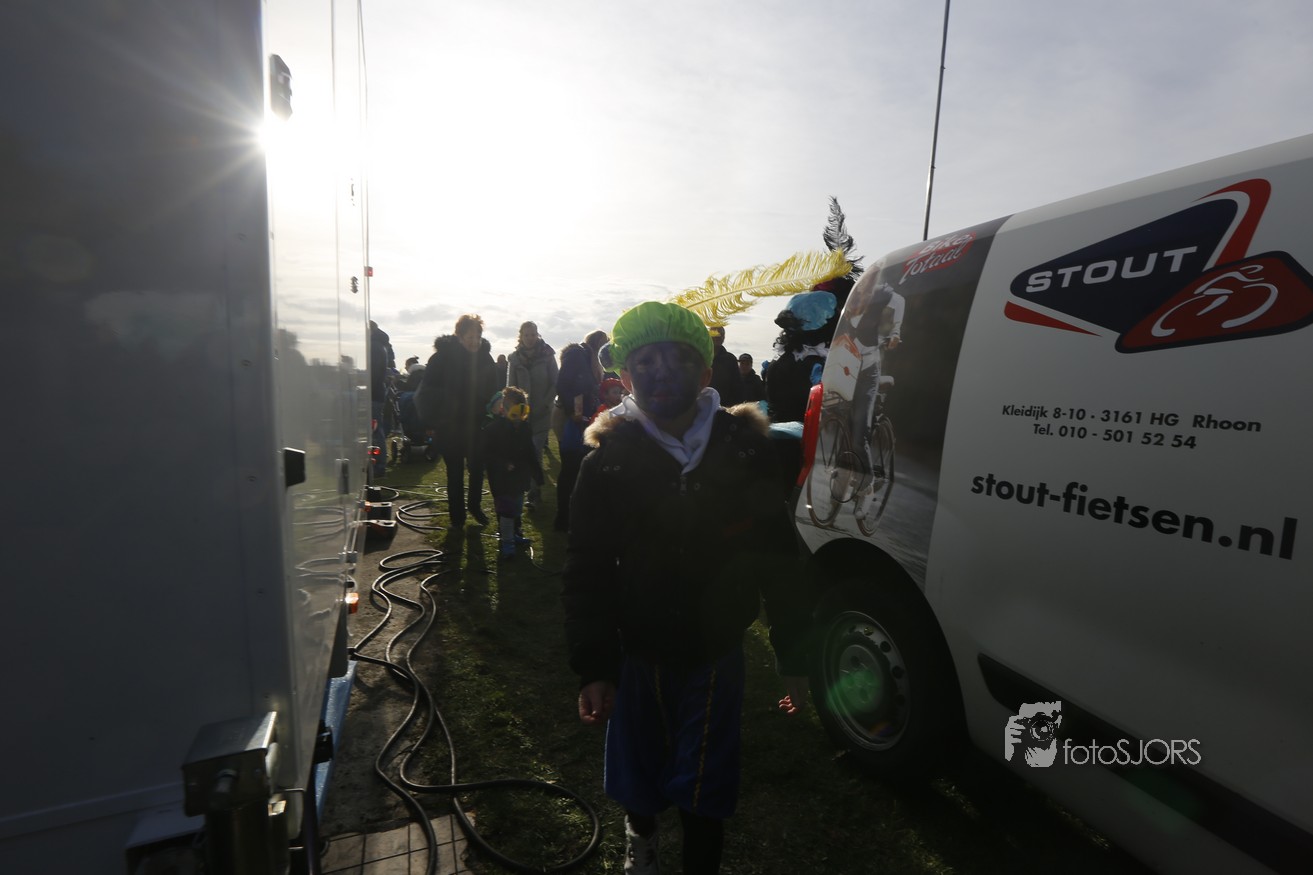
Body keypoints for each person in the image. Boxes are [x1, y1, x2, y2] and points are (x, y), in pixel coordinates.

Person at [562, 301, 809, 875]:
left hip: (716, 651)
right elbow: (588, 565)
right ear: (625, 376)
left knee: (705, 787)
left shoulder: (744, 449)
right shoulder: (608, 461)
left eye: (679, 358)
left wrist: (794, 648)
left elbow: (776, 551)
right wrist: (594, 664)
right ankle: (641, 839)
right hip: (637, 648)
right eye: (645, 361)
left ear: (705, 371)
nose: (662, 371)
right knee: (640, 773)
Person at [413, 314, 499, 527]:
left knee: (477, 468)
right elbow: (426, 393)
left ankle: (475, 506)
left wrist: (493, 412)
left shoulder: (485, 358)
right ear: (459, 336)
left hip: (477, 424)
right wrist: (432, 421)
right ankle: (457, 517)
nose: (475, 342)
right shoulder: (441, 358)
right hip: (449, 426)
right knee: (455, 472)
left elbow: (494, 390)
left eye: (478, 337)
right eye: (470, 337)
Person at [832, 273, 904, 524]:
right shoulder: (855, 301)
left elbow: (896, 323)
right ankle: (840, 485)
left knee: (859, 433)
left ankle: (867, 486)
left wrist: (894, 336)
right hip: (849, 364)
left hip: (869, 369)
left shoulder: (891, 298)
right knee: (841, 421)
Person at [552, 329, 608, 532]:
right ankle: (563, 517)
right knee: (570, 468)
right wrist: (572, 410)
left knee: (581, 468)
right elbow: (562, 384)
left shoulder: (592, 361)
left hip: (585, 419)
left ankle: (576, 515)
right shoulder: (577, 354)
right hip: (570, 419)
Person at [481, 385, 543, 559]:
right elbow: (486, 454)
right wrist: (503, 464)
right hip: (501, 479)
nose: (519, 419)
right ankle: (507, 542)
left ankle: (515, 533)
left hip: (519, 478)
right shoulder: (493, 429)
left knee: (516, 508)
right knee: (506, 511)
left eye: (523, 413)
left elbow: (530, 452)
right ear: (504, 409)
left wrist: (537, 474)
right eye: (515, 413)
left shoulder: (525, 428)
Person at [506, 321, 559, 508]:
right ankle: (525, 489)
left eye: (533, 334)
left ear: (538, 335)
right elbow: (510, 387)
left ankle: (534, 495)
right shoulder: (514, 358)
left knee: (535, 453)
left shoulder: (547, 355)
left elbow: (556, 382)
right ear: (520, 336)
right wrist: (513, 409)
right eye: (526, 335)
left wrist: (545, 403)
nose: (530, 338)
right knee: (523, 454)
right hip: (522, 416)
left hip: (542, 413)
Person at [369, 321, 395, 478]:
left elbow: (372, 373)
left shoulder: (373, 346)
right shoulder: (381, 346)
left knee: (375, 430)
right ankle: (379, 464)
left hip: (372, 394)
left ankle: (379, 465)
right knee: (377, 429)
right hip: (378, 392)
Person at [706, 325, 744, 406]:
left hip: (725, 407)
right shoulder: (701, 356)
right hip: (701, 407)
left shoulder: (731, 359)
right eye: (715, 333)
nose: (718, 336)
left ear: (724, 337)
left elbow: (737, 388)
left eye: (721, 334)